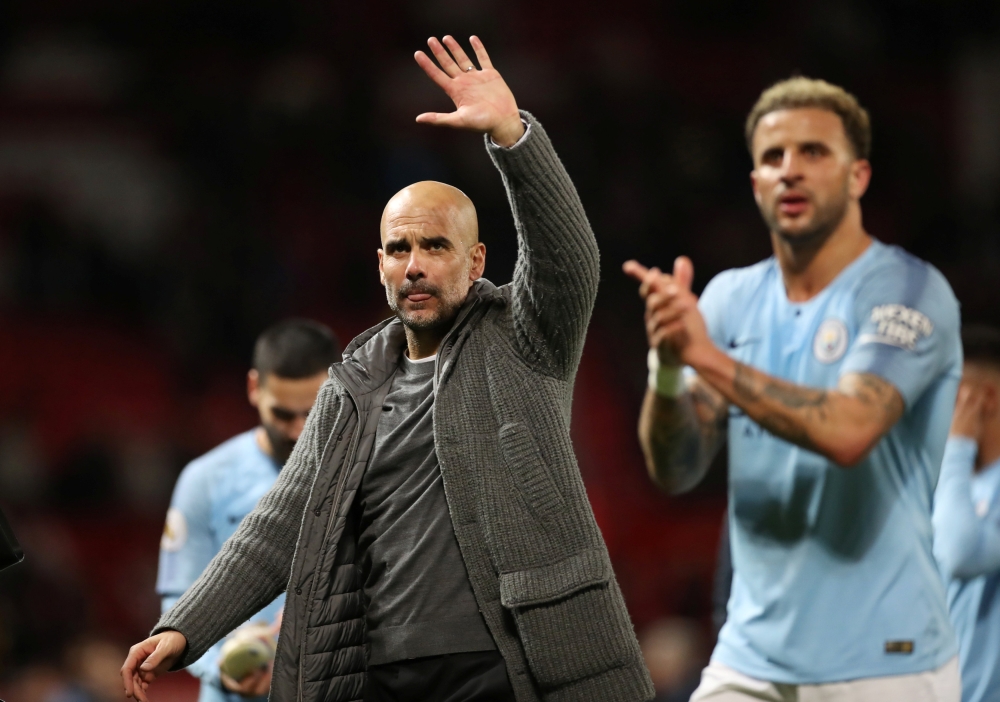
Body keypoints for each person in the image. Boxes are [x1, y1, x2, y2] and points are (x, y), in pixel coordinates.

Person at [122, 35, 654, 702]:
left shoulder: (523, 342)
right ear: (380, 265)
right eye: (399, 248)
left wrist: (514, 140)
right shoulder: (351, 384)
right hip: (375, 671)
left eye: (436, 245)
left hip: (502, 666)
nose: (416, 265)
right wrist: (186, 627)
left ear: (478, 259)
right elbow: (279, 525)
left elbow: (569, 262)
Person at [623, 77, 962, 701]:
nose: (790, 171)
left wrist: (704, 355)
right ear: (755, 184)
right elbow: (674, 468)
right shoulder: (729, 297)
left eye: (814, 152)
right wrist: (668, 368)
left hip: (887, 660)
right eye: (773, 158)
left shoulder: (908, 291)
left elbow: (848, 430)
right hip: (752, 658)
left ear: (858, 176)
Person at [157, 319, 340, 701]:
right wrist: (221, 664)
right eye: (284, 414)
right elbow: (177, 599)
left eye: (313, 412)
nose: (299, 430)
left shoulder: (366, 474)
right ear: (254, 388)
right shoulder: (204, 480)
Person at [933, 325, 1000, 702]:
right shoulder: (953, 485)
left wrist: (957, 444)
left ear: (983, 398)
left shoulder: (954, 471)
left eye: (947, 394)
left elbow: (961, 552)